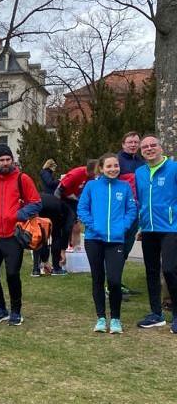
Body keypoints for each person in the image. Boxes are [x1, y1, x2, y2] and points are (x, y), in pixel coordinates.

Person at [0, 145, 41, 326]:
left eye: (8, 159)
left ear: (12, 160)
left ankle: (16, 311)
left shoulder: (23, 179)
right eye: (1, 160)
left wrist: (18, 215)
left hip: (14, 235)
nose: (5, 163)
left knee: (12, 274)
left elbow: (36, 203)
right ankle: (1, 309)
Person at [77, 153, 137, 334]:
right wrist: (94, 226)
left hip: (116, 240)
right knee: (98, 278)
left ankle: (116, 319)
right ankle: (101, 318)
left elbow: (131, 210)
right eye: (109, 166)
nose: (113, 169)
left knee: (114, 280)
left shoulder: (125, 187)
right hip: (94, 239)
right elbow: (82, 208)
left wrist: (122, 227)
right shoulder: (91, 186)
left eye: (116, 166)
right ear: (101, 168)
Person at [134, 135, 177, 331]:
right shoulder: (140, 173)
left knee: (169, 269)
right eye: (145, 147)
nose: (149, 149)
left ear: (160, 148)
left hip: (171, 228)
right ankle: (156, 314)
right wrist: (141, 225)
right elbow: (141, 201)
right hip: (149, 229)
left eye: (153, 145)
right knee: (151, 271)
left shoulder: (173, 168)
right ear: (141, 151)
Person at [116, 132, 145, 293]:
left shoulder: (141, 162)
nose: (133, 145)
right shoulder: (117, 161)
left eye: (136, 142)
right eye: (130, 142)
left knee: (126, 248)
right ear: (123, 144)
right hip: (120, 212)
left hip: (135, 212)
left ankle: (117, 282)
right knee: (116, 248)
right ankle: (111, 284)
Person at [55, 160, 98, 249]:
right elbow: (58, 190)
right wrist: (57, 206)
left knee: (76, 225)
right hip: (63, 199)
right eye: (97, 172)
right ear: (92, 171)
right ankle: (62, 247)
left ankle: (76, 247)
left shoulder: (92, 178)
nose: (98, 174)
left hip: (74, 199)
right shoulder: (75, 174)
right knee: (66, 225)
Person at [30, 194, 74, 276]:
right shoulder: (70, 214)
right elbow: (66, 231)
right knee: (56, 235)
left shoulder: (62, 204)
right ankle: (56, 268)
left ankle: (36, 270)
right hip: (52, 208)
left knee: (39, 235)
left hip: (37, 204)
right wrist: (63, 250)